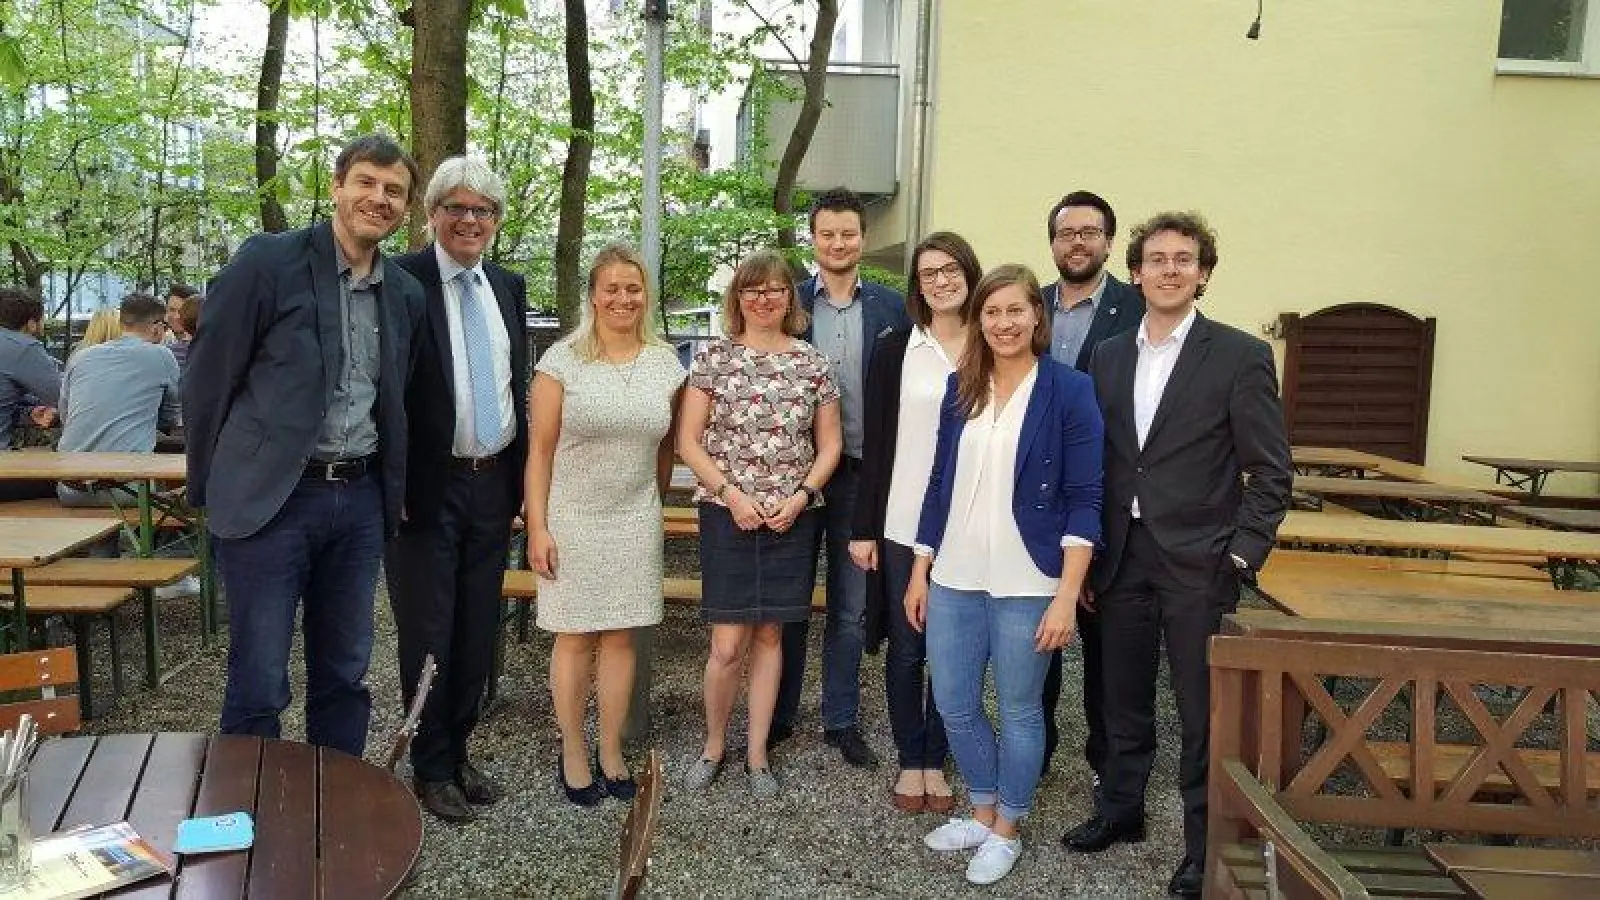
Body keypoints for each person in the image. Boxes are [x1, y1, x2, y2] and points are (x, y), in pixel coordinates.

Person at [1062, 212, 1291, 898]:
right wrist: (1088, 552)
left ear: (1203, 273)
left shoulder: (1240, 355)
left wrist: (1242, 555)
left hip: (1200, 561)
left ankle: (1204, 846)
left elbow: (1271, 470)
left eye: (1183, 259)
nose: (1169, 270)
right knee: (1120, 696)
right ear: (1135, 273)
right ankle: (1121, 809)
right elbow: (1099, 460)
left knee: (1202, 712)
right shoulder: (1108, 355)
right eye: (1156, 259)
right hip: (1122, 557)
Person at [183, 133, 426, 758]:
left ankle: (331, 796)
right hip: (272, 499)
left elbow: (396, 398)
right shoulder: (269, 262)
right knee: (260, 675)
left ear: (406, 207)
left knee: (345, 670)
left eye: (394, 190)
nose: (379, 198)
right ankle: (249, 798)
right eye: (366, 182)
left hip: (359, 499)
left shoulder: (404, 293)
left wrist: (392, 492)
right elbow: (209, 376)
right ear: (337, 186)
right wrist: (208, 485)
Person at [905, 264, 1103, 886]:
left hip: (1028, 581)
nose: (1004, 322)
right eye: (992, 312)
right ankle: (983, 810)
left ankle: (1008, 828)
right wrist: (920, 569)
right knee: (955, 702)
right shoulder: (961, 387)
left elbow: (1086, 498)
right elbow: (938, 483)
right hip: (955, 574)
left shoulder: (1069, 390)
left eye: (1015, 310)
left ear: (1037, 315)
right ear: (979, 320)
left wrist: (1066, 595)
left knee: (1019, 709)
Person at [387, 157, 529, 823]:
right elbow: (386, 389)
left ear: (496, 221)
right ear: (432, 214)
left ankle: (460, 748)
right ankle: (430, 763)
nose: (470, 220)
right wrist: (392, 480)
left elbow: (513, 382)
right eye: (457, 208)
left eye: (483, 210)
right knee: (430, 629)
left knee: (477, 627)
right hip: (427, 485)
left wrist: (522, 485)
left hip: (492, 483)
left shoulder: (505, 286)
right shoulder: (401, 281)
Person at [525, 243, 684, 808]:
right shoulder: (562, 361)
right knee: (575, 637)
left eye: (633, 288)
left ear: (646, 295)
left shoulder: (666, 363)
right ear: (593, 295)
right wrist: (538, 527)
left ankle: (610, 748)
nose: (623, 298)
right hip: (572, 518)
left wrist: (651, 503)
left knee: (621, 638)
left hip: (634, 517)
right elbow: (539, 453)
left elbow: (666, 447)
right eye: (611, 288)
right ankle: (573, 748)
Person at [679, 249, 841, 798]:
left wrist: (801, 497)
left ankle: (757, 754)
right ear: (738, 298)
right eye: (753, 289)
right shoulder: (713, 359)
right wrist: (731, 496)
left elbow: (829, 445)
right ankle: (713, 746)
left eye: (775, 288)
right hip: (728, 515)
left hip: (791, 519)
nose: (764, 298)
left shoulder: (813, 363)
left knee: (772, 634)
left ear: (789, 297)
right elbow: (688, 441)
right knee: (727, 644)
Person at [847, 231, 982, 814]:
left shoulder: (993, 341)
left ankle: (938, 752)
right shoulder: (896, 348)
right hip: (903, 522)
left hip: (973, 523)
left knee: (956, 650)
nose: (941, 281)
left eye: (951, 269)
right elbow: (876, 445)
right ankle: (912, 757)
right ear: (917, 286)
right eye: (929, 273)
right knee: (908, 646)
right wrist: (863, 527)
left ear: (970, 274)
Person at [776, 187, 910, 769]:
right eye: (827, 234)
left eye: (848, 234)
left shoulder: (892, 308)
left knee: (851, 609)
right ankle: (778, 714)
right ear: (813, 239)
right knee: (787, 602)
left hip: (861, 477)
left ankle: (840, 719)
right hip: (793, 478)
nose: (838, 243)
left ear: (864, 239)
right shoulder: (788, 303)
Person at [1039, 190, 1145, 781]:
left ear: (1108, 242)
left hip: (1106, 498)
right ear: (1052, 242)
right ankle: (1036, 752)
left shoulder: (1136, 309)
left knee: (1107, 647)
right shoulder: (1031, 306)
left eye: (1089, 232)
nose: (1077, 242)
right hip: (1037, 498)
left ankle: (1109, 767)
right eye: (1066, 233)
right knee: (1036, 635)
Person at [55, 293, 180, 507]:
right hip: (127, 491)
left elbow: (65, 417)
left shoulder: (80, 357)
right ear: (156, 327)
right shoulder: (162, 355)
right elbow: (172, 416)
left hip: (70, 489)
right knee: (173, 488)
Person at [0, 287, 61, 498]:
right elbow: (64, 398)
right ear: (32, 323)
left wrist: (27, 412)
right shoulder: (23, 347)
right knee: (80, 483)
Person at [164, 284, 200, 372]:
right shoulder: (157, 342)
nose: (177, 316)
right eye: (172, 310)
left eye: (182, 311)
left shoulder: (202, 347)